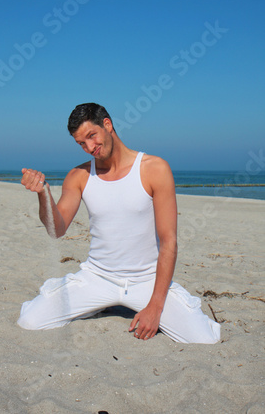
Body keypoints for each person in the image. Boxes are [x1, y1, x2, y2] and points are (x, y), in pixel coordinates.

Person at [17, 103, 220, 343]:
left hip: (146, 280)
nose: (89, 147)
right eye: (81, 143)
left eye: (92, 136)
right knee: (29, 320)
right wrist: (44, 194)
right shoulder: (78, 176)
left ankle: (128, 303)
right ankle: (96, 304)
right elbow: (56, 230)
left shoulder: (154, 169)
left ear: (107, 124)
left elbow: (169, 241)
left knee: (204, 337)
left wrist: (155, 307)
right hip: (97, 278)